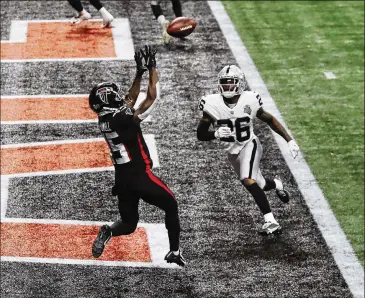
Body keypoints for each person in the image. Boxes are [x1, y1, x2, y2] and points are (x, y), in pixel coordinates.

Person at [89, 45, 186, 266]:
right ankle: (174, 251)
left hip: (122, 178)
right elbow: (151, 98)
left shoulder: (105, 118)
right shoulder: (122, 118)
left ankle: (108, 231)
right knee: (171, 205)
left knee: (129, 223)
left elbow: (128, 100)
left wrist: (139, 72)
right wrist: (152, 68)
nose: (118, 96)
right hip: (139, 174)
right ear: (107, 99)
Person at [197, 65, 300, 235]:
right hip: (232, 153)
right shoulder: (211, 104)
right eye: (224, 83)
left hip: (250, 145)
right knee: (260, 184)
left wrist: (289, 141)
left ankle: (270, 221)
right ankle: (277, 184)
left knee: (247, 179)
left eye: (232, 83)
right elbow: (200, 134)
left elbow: (270, 119)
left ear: (240, 84)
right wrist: (214, 133)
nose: (228, 87)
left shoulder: (250, 99)